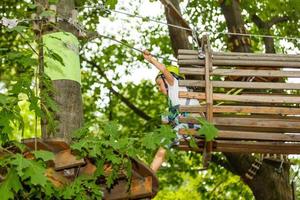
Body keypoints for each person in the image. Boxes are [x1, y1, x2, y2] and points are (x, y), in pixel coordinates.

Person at [143, 50, 200, 172]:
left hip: (192, 121)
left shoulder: (175, 84)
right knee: (163, 138)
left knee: (163, 146)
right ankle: (152, 168)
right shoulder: (174, 100)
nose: (159, 89)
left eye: (159, 84)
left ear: (167, 79)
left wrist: (150, 59)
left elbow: (163, 69)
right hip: (189, 123)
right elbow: (167, 120)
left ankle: (151, 172)